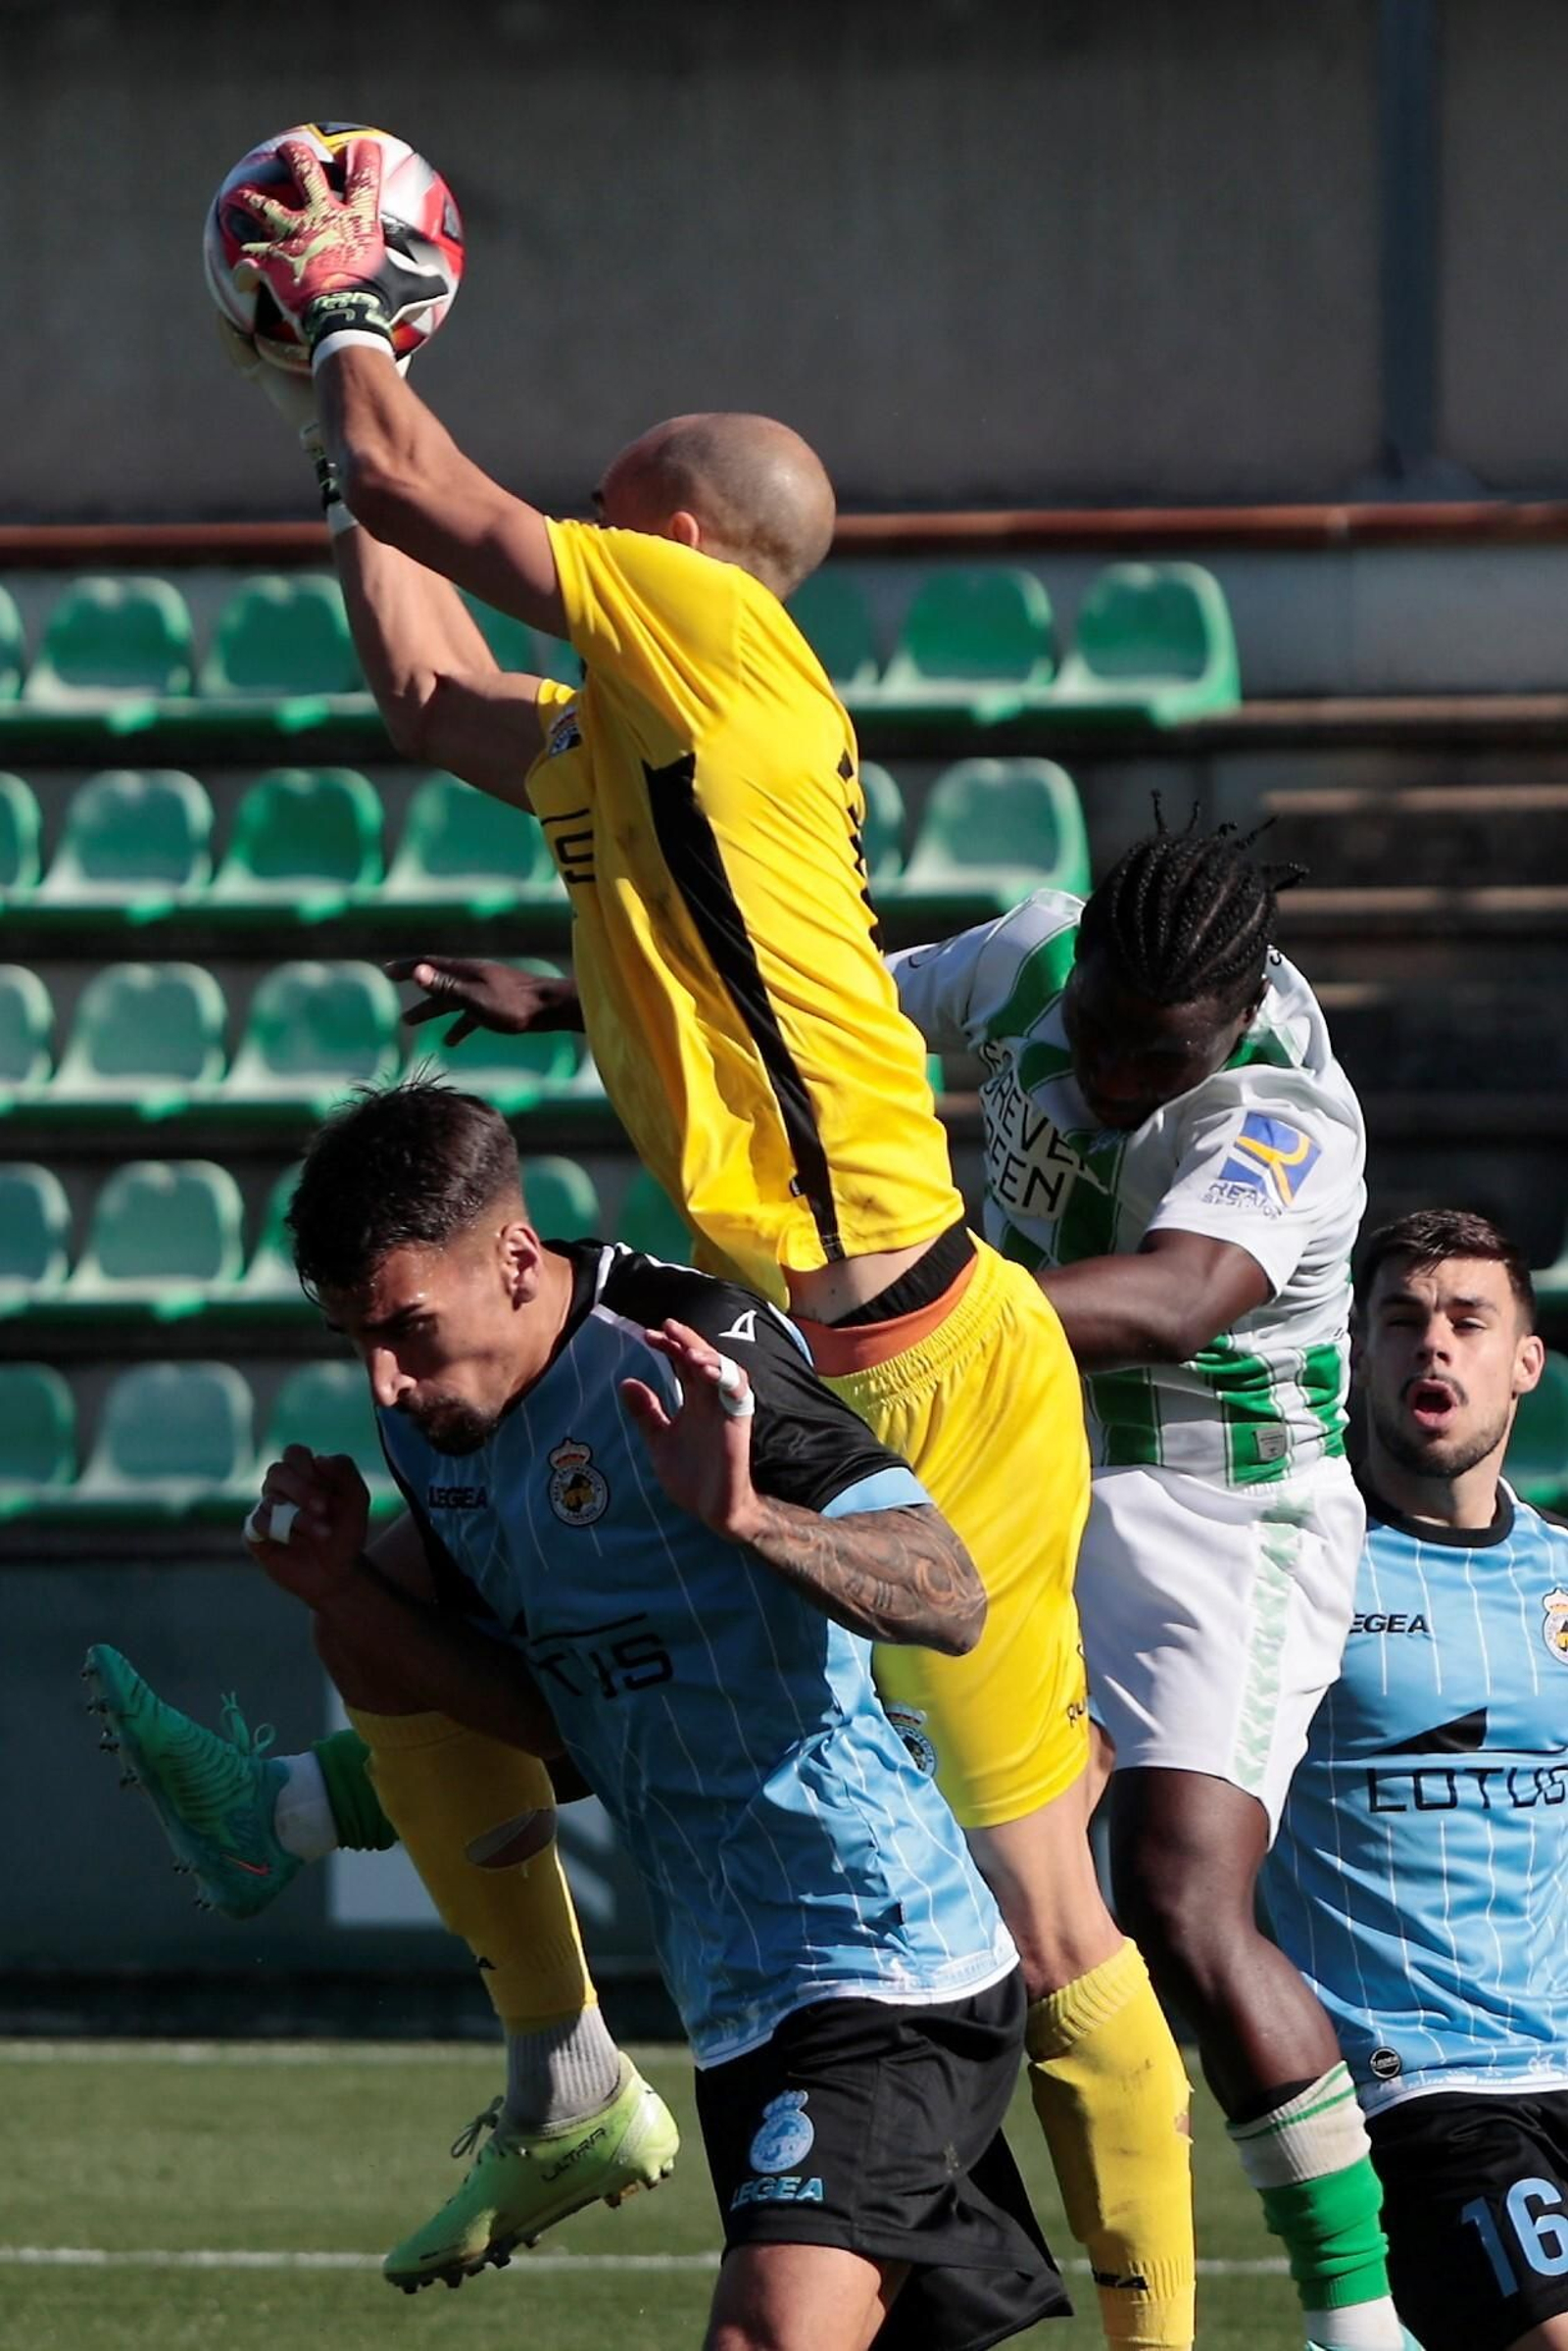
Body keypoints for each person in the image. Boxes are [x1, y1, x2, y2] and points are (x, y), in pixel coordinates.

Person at [166, 126, 1194, 2348]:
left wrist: (352, 318)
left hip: (917, 1349)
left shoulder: (717, 638)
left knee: (1049, 1920)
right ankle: (560, 2062)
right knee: (416, 1581)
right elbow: (421, 690)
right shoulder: (645, 732)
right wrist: (336, 445)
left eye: (614, 507)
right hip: (803, 1325)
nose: (586, 523)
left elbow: (439, 487)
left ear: (699, 552)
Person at [106, 1076, 1067, 2349]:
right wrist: (343, 1587)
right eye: (354, 1339)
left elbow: (948, 1593)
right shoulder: (438, 1426)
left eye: (406, 1328)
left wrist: (748, 1516)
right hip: (741, 1996)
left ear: (516, 1257)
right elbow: (554, 1724)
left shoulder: (685, 1348)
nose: (383, 1381)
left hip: (878, 1956)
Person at [1268, 1208, 1567, 2351]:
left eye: (1465, 1319)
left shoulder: (1558, 1573)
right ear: (1358, 1349)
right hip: (1414, 2083)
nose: (1432, 1340)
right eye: (1400, 1318)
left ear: (1524, 1361)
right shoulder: (1293, 1562)